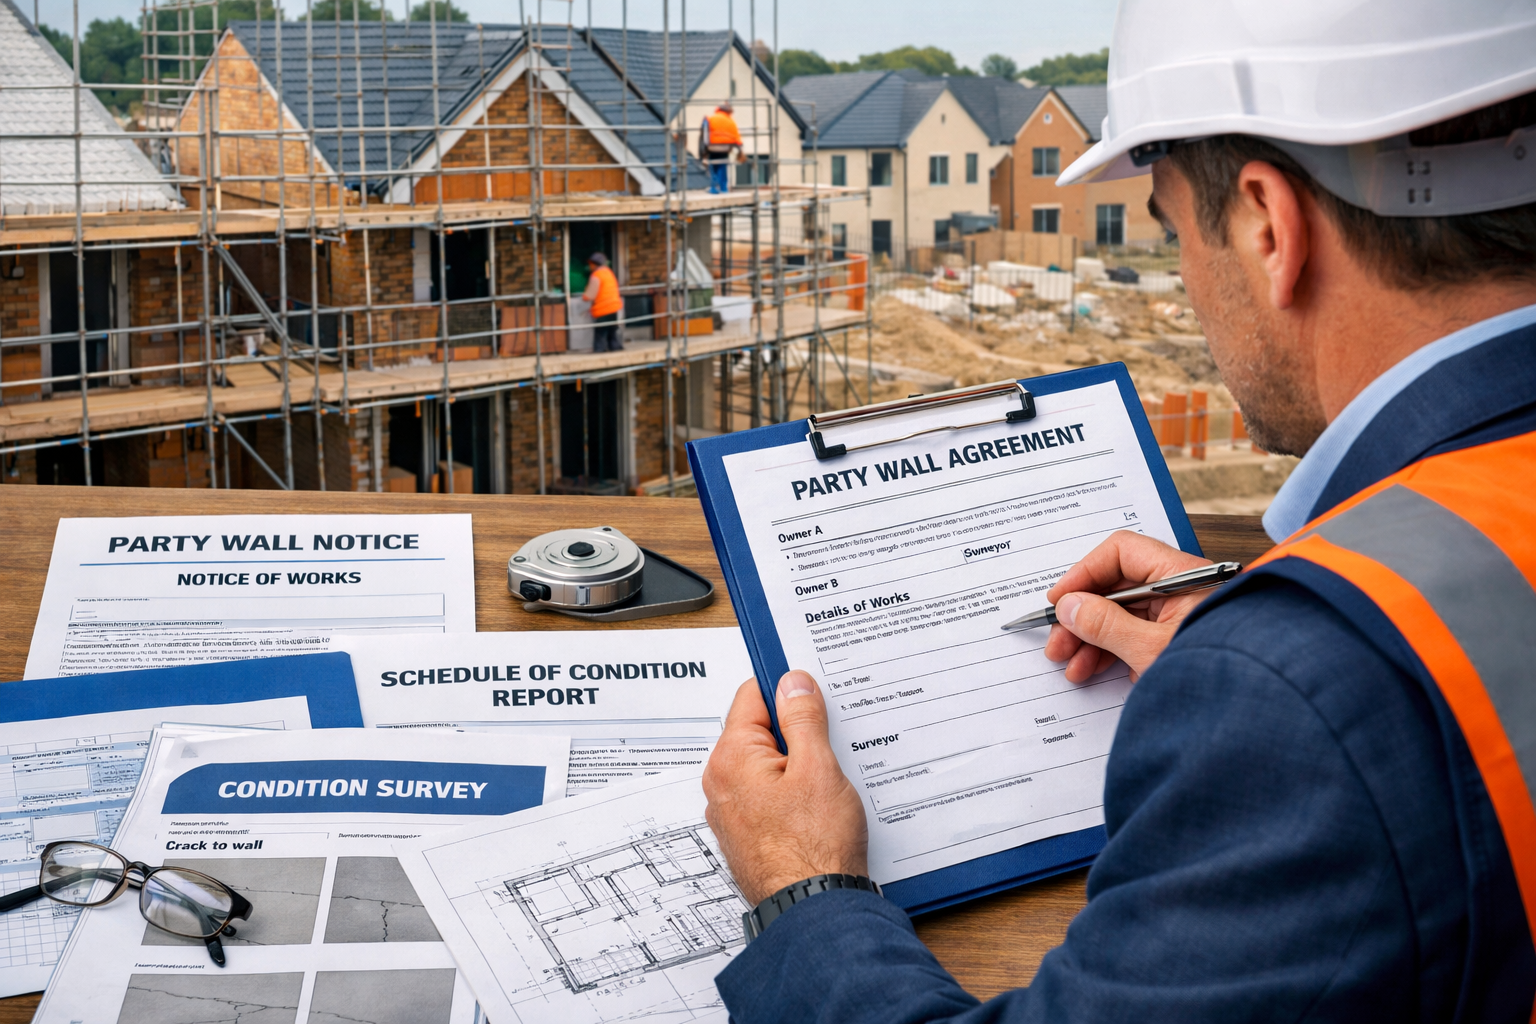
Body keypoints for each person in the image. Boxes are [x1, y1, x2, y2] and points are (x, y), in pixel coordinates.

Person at [702, 1, 1536, 1020]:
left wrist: (802, 891)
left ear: (1270, 226)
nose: (1185, 284)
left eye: (1178, 230)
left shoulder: (1299, 696)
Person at [582, 253, 622, 352]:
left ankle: (599, 350)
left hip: (602, 310)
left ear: (595, 264)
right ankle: (615, 348)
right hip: (614, 308)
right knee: (612, 332)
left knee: (600, 333)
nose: (589, 266)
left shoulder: (596, 276)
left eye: (591, 264)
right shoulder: (609, 272)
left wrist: (584, 295)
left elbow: (589, 296)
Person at [700, 101, 741, 194]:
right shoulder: (731, 121)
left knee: (713, 165)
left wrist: (704, 148)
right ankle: (723, 188)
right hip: (726, 147)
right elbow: (737, 137)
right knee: (723, 165)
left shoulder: (711, 118)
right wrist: (739, 148)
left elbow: (705, 135)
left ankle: (714, 188)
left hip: (712, 147)